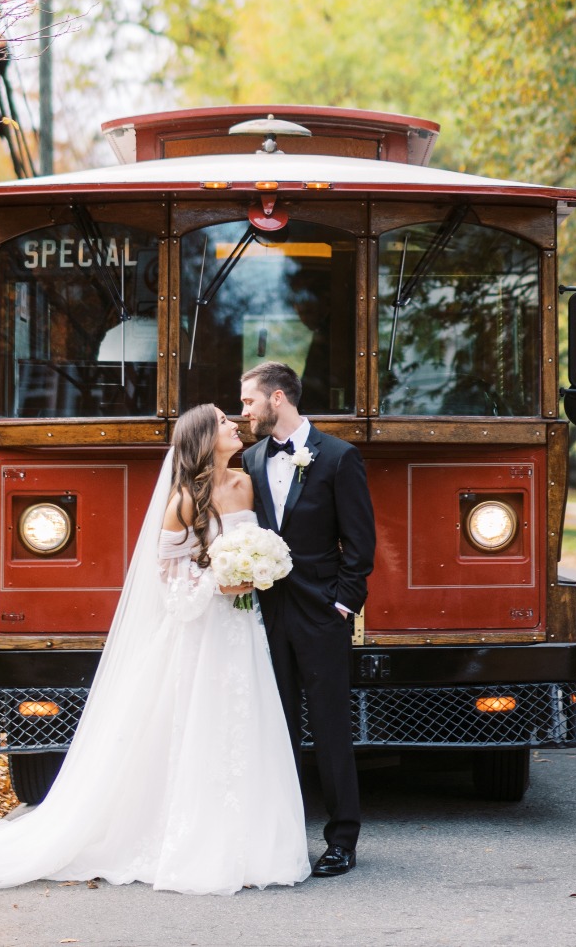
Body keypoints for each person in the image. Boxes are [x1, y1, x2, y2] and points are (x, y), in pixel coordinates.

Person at [0, 405, 311, 896]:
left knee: (241, 724)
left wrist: (255, 571)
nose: (236, 424)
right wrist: (221, 583)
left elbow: (253, 547)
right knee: (198, 730)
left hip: (240, 633)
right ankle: (200, 844)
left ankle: (248, 842)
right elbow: (172, 592)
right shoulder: (180, 503)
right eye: (224, 421)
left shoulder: (244, 483)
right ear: (204, 439)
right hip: (200, 630)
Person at [241, 361, 376, 877]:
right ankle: (283, 840)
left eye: (250, 401)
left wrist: (344, 603)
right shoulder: (251, 460)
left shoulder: (340, 457)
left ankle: (342, 839)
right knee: (277, 730)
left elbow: (360, 542)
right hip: (265, 614)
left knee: (330, 727)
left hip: (321, 614)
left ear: (278, 399)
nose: (244, 411)